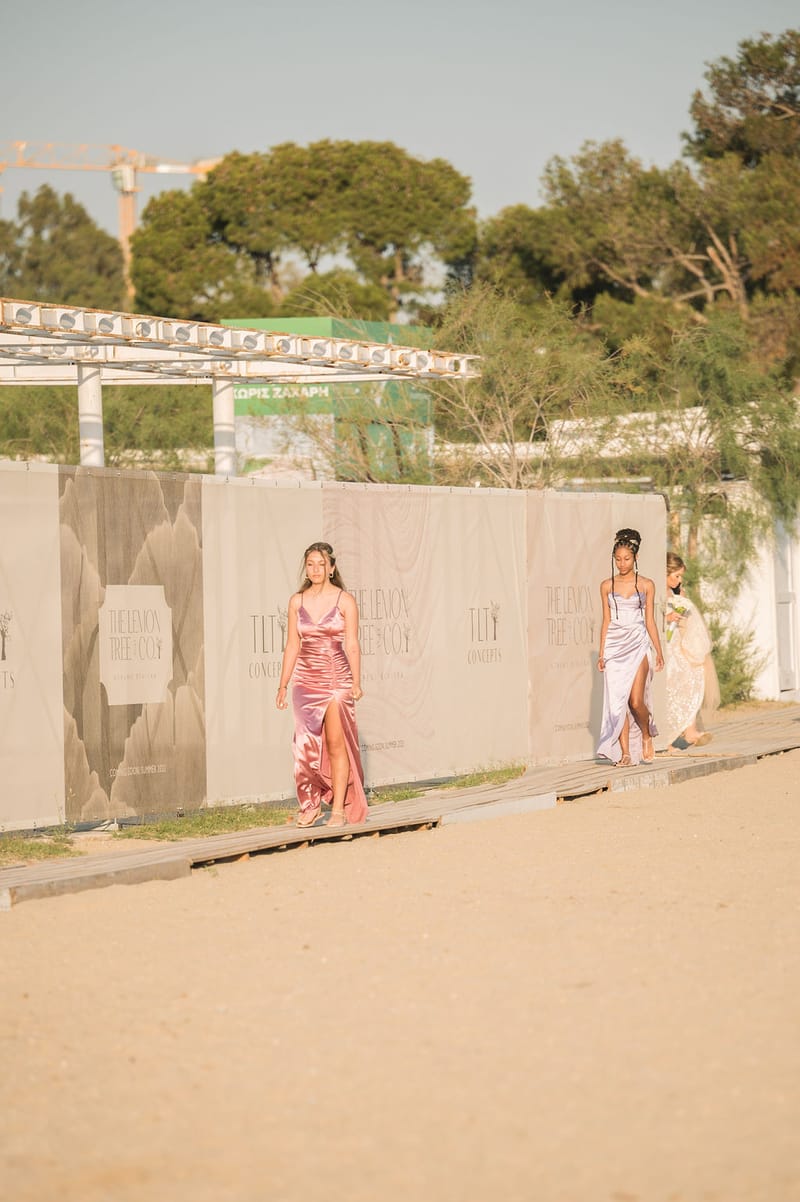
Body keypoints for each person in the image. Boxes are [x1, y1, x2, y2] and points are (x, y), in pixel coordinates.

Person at [275, 541, 369, 828]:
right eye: (311, 564)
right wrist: (282, 685)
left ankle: (338, 808)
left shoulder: (344, 600)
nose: (315, 569)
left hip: (336, 679)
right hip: (305, 680)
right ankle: (310, 804)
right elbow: (292, 645)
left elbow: (351, 643)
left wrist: (355, 681)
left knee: (335, 744)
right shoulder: (297, 601)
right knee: (304, 746)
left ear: (332, 568)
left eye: (321, 564)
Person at [597, 528, 664, 766]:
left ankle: (647, 734)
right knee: (618, 702)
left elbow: (650, 620)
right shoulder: (606, 585)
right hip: (615, 645)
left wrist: (658, 650)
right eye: (617, 559)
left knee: (635, 700)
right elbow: (606, 620)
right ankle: (625, 753)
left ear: (635, 557)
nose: (621, 563)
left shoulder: (646, 584)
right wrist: (602, 652)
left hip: (637, 643)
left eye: (626, 558)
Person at [662, 552, 720, 751]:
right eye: (676, 576)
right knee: (671, 686)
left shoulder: (675, 593)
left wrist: (681, 606)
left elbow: (683, 620)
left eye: (680, 577)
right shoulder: (657, 592)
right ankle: (667, 738)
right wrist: (667, 617)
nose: (679, 580)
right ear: (665, 572)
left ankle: (691, 730)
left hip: (677, 644)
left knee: (694, 678)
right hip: (665, 647)